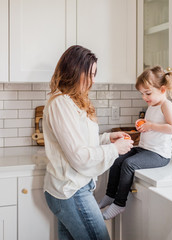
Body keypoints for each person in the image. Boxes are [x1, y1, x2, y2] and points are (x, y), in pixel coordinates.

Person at [43, 45, 134, 240]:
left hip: (73, 188)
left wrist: (108, 138)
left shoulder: (72, 101)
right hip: (71, 190)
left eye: (94, 74)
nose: (92, 81)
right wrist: (114, 149)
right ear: (74, 71)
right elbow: (79, 157)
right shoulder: (61, 103)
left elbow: (84, 142)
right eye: (89, 74)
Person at [99, 66, 172, 220]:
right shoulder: (152, 104)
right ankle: (110, 195)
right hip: (145, 149)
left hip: (159, 155)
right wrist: (142, 123)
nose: (144, 97)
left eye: (148, 93)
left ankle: (119, 204)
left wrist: (150, 125)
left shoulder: (166, 105)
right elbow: (152, 124)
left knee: (129, 164)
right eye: (142, 94)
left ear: (162, 89)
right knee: (117, 158)